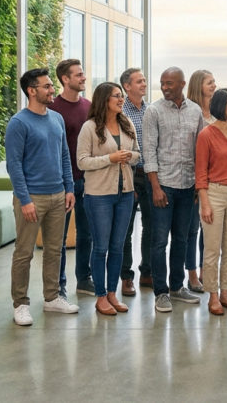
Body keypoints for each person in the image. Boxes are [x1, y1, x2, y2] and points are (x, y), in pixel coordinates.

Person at [6, 68, 79, 326]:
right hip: (32, 198)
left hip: (58, 195)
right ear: (31, 90)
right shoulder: (19, 123)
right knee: (24, 253)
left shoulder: (57, 119)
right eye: (47, 86)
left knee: (55, 250)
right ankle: (21, 304)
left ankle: (52, 298)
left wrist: (69, 188)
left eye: (51, 85)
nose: (52, 90)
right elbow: (14, 165)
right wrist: (24, 200)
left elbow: (64, 157)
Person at [142, 67, 206, 313]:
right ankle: (161, 292)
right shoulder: (154, 111)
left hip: (188, 186)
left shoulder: (195, 111)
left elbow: (199, 151)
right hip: (163, 186)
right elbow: (149, 152)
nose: (165, 87)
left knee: (181, 238)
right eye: (162, 83)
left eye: (170, 83)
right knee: (159, 241)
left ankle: (177, 287)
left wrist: (199, 186)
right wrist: (155, 188)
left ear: (182, 84)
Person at [77, 82, 140, 315]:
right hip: (99, 196)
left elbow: (137, 154)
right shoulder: (90, 127)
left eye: (122, 96)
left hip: (125, 195)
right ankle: (101, 296)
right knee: (101, 247)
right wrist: (110, 158)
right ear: (104, 99)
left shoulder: (127, 123)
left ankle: (113, 294)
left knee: (117, 247)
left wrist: (128, 156)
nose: (121, 99)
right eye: (116, 96)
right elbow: (82, 162)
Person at [195, 88, 227, 315]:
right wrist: (205, 203)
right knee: (212, 248)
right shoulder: (206, 134)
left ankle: (225, 292)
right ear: (220, 106)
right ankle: (213, 295)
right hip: (214, 194)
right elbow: (201, 174)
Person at [48, 59, 93, 297]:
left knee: (87, 234)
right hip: (62, 183)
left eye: (83, 74)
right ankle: (59, 285)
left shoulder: (89, 106)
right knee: (60, 238)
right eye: (79, 75)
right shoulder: (53, 108)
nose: (83, 78)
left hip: (88, 182)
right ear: (65, 79)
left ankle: (84, 280)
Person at [185, 69, 217, 293]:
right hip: (194, 178)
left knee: (209, 230)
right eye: (209, 82)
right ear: (198, 86)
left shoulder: (217, 112)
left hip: (216, 179)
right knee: (192, 230)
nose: (213, 86)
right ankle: (192, 274)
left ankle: (207, 271)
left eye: (214, 82)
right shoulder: (191, 112)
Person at [119, 67, 151, 296]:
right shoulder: (120, 112)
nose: (144, 84)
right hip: (129, 175)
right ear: (126, 86)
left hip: (150, 176)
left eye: (144, 81)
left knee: (152, 227)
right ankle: (126, 277)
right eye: (139, 81)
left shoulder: (151, 110)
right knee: (126, 229)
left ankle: (147, 272)